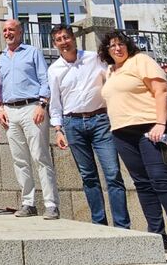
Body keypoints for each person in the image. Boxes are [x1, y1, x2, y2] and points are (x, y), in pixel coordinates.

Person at [99, 30, 167, 261]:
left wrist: (160, 124)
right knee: (143, 185)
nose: (117, 48)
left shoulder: (141, 60)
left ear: (128, 46)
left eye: (121, 44)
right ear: (106, 51)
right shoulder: (110, 71)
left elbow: (161, 90)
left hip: (151, 129)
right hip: (123, 133)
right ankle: (158, 239)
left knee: (162, 182)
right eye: (112, 45)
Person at [48, 25, 130, 229]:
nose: (63, 42)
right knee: (88, 177)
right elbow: (55, 103)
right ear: (55, 44)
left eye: (66, 37)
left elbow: (113, 79)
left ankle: (122, 226)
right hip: (72, 124)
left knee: (113, 174)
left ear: (73, 39)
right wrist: (58, 129)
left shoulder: (95, 58)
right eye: (59, 39)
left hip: (100, 121)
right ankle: (99, 224)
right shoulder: (54, 70)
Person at [0, 18, 60, 219]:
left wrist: (42, 104)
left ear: (20, 31)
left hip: (32, 108)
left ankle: (51, 204)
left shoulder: (33, 52)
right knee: (19, 159)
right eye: (5, 30)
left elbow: (44, 80)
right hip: (10, 111)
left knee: (40, 157)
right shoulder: (0, 59)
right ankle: (28, 202)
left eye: (11, 29)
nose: (7, 33)